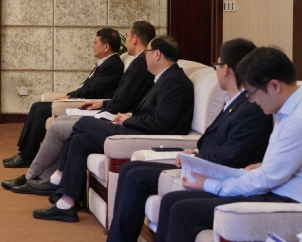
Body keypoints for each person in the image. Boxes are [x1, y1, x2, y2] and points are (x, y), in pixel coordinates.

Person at [107, 38, 273, 242]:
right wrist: (194, 153)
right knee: (130, 169)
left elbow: (231, 157)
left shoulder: (251, 108)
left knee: (138, 177)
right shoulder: (234, 102)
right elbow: (219, 144)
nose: (216, 70)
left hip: (221, 174)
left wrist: (195, 159)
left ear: (226, 69)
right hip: (204, 163)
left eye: (217, 64)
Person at [31, 35, 195, 223]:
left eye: (148, 52)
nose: (145, 56)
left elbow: (162, 122)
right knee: (80, 140)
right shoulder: (165, 77)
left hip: (145, 137)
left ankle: (59, 178)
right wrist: (129, 117)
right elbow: (153, 113)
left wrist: (129, 121)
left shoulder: (174, 80)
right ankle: (66, 204)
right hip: (139, 130)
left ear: (157, 54)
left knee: (83, 124)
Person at [155, 47, 302, 242]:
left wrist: (210, 184)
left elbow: (266, 180)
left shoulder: (297, 119)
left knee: (182, 209)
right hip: (275, 187)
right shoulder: (286, 109)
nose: (251, 100)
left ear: (274, 86)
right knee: (172, 201)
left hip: (284, 198)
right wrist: (265, 166)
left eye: (251, 93)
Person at [3, 21, 156, 193]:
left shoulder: (141, 64)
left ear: (134, 39)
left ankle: (33, 176)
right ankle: (42, 177)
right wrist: (103, 103)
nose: (125, 41)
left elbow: (122, 101)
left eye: (127, 36)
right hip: (112, 112)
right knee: (57, 122)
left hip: (117, 118)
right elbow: (123, 98)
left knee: (60, 126)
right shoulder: (137, 63)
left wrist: (107, 107)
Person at [3, 28, 125, 168]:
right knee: (37, 106)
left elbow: (93, 90)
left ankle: (27, 156)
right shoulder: (105, 62)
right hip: (83, 100)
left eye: (95, 42)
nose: (93, 45)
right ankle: (26, 153)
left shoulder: (113, 64)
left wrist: (70, 97)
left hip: (89, 105)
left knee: (41, 110)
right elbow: (88, 87)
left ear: (106, 46)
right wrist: (69, 95)